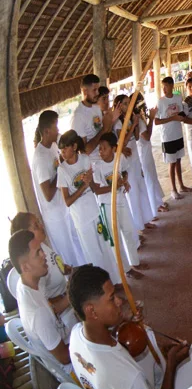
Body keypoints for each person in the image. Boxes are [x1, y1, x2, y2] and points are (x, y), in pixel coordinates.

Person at [67, 265, 192, 389]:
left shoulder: (76, 333)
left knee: (144, 333)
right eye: (112, 298)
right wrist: (172, 364)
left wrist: (124, 322)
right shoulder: (126, 376)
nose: (120, 301)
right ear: (91, 310)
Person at [56, 130, 122, 286]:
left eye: (65, 148)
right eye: (61, 150)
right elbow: (67, 201)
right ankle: (101, 287)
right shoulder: (62, 170)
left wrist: (90, 182)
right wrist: (83, 185)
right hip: (82, 218)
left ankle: (115, 280)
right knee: (93, 253)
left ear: (74, 146)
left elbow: (93, 188)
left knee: (105, 247)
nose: (63, 152)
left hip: (94, 211)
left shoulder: (85, 159)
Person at [8, 230, 72, 369]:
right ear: (25, 267)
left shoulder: (26, 283)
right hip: (70, 367)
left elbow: (51, 309)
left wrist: (70, 295)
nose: (44, 255)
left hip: (62, 334)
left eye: (41, 249)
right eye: (38, 252)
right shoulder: (38, 313)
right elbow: (65, 358)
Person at [30, 110, 84, 266]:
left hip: (63, 208)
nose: (58, 131)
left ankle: (86, 274)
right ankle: (75, 283)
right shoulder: (40, 157)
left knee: (77, 245)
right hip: (55, 215)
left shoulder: (53, 146)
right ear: (47, 131)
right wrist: (61, 170)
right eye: (56, 127)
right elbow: (47, 194)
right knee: (67, 253)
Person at [91, 133, 147, 279]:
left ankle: (135, 262)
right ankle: (125, 269)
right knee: (115, 239)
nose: (101, 151)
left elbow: (124, 171)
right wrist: (116, 186)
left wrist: (125, 181)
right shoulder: (98, 166)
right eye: (99, 149)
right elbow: (97, 190)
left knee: (128, 230)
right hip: (107, 204)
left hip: (121, 200)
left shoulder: (119, 158)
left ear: (113, 148)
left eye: (104, 148)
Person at [9, 213, 77, 330]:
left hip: (68, 300)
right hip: (65, 318)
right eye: (36, 226)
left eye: (39, 222)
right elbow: (50, 309)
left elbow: (53, 263)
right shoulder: (38, 269)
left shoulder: (41, 247)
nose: (42, 226)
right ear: (26, 235)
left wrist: (63, 268)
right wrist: (73, 293)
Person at [113, 95, 156, 233]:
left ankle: (145, 219)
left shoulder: (129, 118)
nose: (128, 106)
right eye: (125, 104)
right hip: (127, 161)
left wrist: (135, 123)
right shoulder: (118, 123)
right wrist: (132, 127)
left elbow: (137, 137)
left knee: (141, 187)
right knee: (133, 193)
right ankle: (138, 226)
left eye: (129, 103)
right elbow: (123, 142)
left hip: (135, 156)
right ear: (119, 106)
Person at [155, 76, 192, 199]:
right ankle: (173, 189)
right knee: (171, 163)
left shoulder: (178, 98)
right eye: (163, 87)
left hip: (178, 134)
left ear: (172, 86)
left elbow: (182, 114)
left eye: (166, 86)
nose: (164, 89)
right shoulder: (161, 101)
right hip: (167, 137)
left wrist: (183, 115)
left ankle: (181, 185)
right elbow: (156, 121)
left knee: (178, 161)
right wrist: (173, 118)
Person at [71, 74, 117, 161]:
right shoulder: (78, 116)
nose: (97, 93)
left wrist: (110, 121)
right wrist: (103, 129)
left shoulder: (96, 108)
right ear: (85, 92)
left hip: (104, 160)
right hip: (93, 165)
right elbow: (83, 151)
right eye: (94, 90)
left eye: (98, 90)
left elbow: (105, 132)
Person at [135, 97, 169, 214]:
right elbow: (147, 136)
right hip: (142, 155)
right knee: (149, 179)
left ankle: (158, 202)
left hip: (146, 152)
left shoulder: (140, 118)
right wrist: (152, 118)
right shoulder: (138, 121)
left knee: (152, 177)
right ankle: (154, 206)